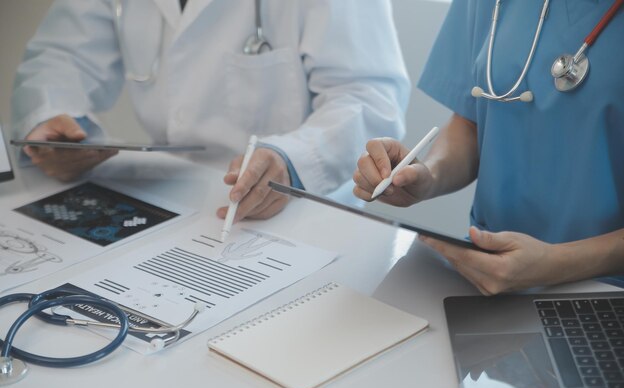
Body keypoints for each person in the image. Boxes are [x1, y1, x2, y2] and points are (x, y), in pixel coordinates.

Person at [12, 0, 410, 223]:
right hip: (164, 195)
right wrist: (54, 120)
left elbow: (367, 96)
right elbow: (61, 56)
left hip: (305, 209)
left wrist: (294, 160)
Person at [353, 0, 624, 295]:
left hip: (607, 289)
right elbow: (472, 122)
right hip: (487, 273)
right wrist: (427, 176)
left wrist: (558, 262)